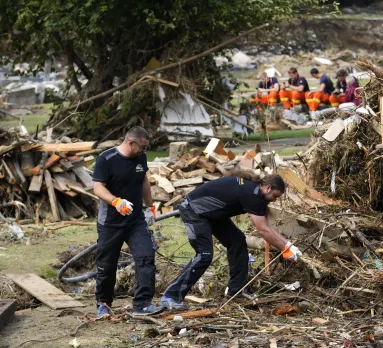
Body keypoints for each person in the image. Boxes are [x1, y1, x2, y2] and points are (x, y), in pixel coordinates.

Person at [160, 174, 302, 309]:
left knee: (237, 241)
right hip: (194, 210)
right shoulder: (251, 194)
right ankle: (171, 297)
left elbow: (267, 226)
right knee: (204, 254)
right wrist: (285, 248)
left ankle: (236, 290)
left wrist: (288, 245)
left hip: (213, 214)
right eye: (275, 196)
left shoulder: (255, 192)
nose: (274, 200)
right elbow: (262, 229)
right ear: (268, 188)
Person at [92, 126, 161, 319]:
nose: (145, 151)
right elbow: (97, 187)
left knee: (146, 256)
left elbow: (144, 181)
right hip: (110, 223)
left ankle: (142, 304)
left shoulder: (141, 158)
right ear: (131, 143)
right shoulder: (106, 159)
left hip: (135, 221)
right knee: (107, 264)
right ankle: (104, 304)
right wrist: (116, 201)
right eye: (143, 147)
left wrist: (150, 207)